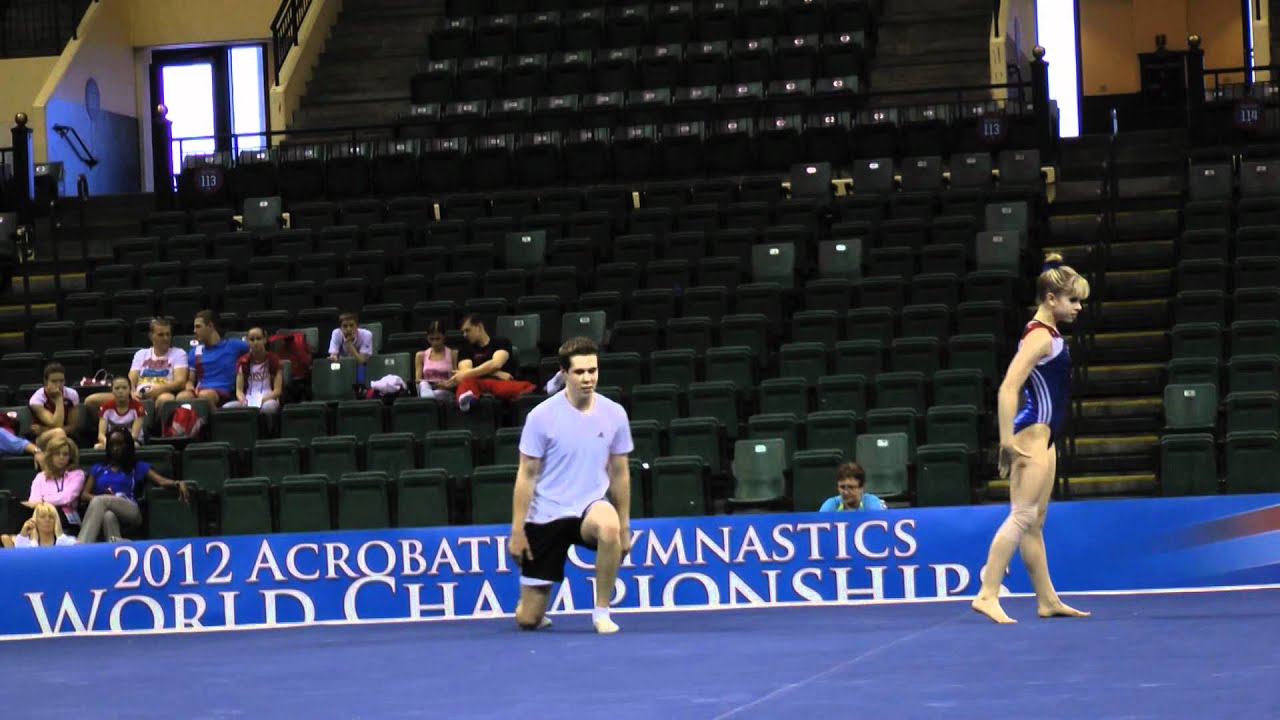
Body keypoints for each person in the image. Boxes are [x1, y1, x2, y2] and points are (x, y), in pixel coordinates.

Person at [971, 253, 1092, 624]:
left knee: (1035, 521)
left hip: (1046, 435)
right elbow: (1009, 388)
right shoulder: (1039, 337)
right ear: (1051, 299)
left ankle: (1047, 600)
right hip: (1031, 435)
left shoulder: (1048, 333)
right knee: (1022, 516)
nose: (1078, 307)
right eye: (1073, 300)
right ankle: (988, 592)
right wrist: (1007, 441)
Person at [509, 337, 633, 635]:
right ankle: (534, 607)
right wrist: (517, 530)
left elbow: (620, 471)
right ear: (564, 373)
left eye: (593, 370)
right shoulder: (540, 417)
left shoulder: (614, 413)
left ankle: (602, 612)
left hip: (589, 508)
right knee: (529, 620)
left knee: (609, 526)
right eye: (580, 372)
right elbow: (526, 474)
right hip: (545, 515)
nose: (588, 378)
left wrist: (625, 526)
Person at [78, 428, 189, 544]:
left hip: (130, 509)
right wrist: (107, 499)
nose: (115, 448)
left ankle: (82, 544)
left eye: (120, 444)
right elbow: (84, 495)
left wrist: (177, 483)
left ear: (128, 446)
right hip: (106, 507)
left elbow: (160, 481)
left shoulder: (136, 467)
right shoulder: (98, 468)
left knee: (100, 501)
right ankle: (117, 544)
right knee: (108, 516)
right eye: (111, 445)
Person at [86, 317, 188, 414]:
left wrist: (158, 389)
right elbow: (132, 378)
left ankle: (154, 430)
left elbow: (180, 382)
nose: (166, 338)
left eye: (168, 334)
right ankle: (111, 426)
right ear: (151, 336)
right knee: (91, 401)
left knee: (167, 399)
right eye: (161, 335)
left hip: (162, 393)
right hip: (138, 395)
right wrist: (131, 392)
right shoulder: (141, 353)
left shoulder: (178, 353)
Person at [444, 314, 535, 411]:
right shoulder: (465, 350)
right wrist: (497, 373)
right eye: (463, 332)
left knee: (527, 387)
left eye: (467, 330)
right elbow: (466, 372)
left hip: (499, 383)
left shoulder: (502, 342)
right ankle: (468, 402)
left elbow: (496, 364)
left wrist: (489, 370)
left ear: (479, 327)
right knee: (466, 382)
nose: (464, 335)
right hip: (477, 384)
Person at [178, 310, 250, 408]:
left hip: (226, 394)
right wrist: (190, 388)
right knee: (182, 396)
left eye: (198, 327)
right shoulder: (195, 352)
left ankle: (214, 422)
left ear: (210, 326)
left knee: (205, 395)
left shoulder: (234, 346)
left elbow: (259, 353)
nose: (194, 331)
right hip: (201, 392)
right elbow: (190, 380)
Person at [24, 435, 85, 528]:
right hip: (43, 517)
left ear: (70, 457)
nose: (61, 457)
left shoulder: (77, 474)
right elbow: (33, 501)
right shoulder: (40, 477)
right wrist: (40, 504)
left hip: (68, 519)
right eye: (57, 454)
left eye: (65, 454)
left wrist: (43, 501)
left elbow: (67, 497)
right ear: (50, 456)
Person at [224, 327, 284, 416]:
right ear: (248, 342)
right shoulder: (243, 361)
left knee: (268, 407)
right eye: (252, 340)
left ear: (265, 340)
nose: (255, 342)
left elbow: (278, 390)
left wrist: (263, 400)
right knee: (227, 407)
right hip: (248, 399)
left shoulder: (274, 360)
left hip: (269, 398)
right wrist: (243, 401)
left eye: (258, 339)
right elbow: (239, 390)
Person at [28, 362, 79, 448]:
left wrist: (43, 429)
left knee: (61, 433)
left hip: (66, 435)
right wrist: (59, 399)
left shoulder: (72, 395)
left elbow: (73, 426)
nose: (58, 385)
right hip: (42, 438)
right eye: (54, 381)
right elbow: (56, 425)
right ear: (45, 381)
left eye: (61, 381)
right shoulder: (37, 399)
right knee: (58, 433)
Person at [95, 376, 146, 449]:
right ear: (112, 390)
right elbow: (101, 435)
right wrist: (108, 442)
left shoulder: (138, 407)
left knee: (134, 446)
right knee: (97, 447)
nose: (120, 391)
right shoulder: (105, 407)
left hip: (133, 441)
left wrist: (120, 444)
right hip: (112, 441)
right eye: (117, 388)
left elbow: (134, 435)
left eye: (124, 388)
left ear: (130, 389)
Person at [1, 502, 77, 549]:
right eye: (42, 517)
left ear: (56, 521)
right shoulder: (27, 546)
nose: (47, 520)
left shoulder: (69, 544)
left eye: (51, 517)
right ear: (35, 520)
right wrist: (23, 533)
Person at [415, 321, 457, 401]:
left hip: (446, 391)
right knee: (423, 384)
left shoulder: (453, 354)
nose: (435, 342)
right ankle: (429, 399)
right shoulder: (420, 356)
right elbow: (418, 381)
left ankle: (429, 400)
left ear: (444, 337)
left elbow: (457, 378)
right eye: (431, 339)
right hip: (426, 388)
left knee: (438, 393)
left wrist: (447, 384)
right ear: (427, 338)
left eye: (438, 339)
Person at [819, 462, 886, 512]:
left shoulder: (872, 503)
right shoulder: (831, 505)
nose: (846, 492)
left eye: (851, 487)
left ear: (862, 487)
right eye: (842, 487)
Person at [328, 312, 374, 383]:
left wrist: (349, 343)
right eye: (345, 326)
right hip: (343, 365)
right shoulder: (336, 333)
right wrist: (333, 358)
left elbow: (361, 360)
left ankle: (361, 387)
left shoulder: (367, 335)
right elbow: (333, 354)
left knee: (361, 368)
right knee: (333, 367)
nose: (349, 329)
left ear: (357, 326)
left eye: (351, 325)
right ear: (340, 328)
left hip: (361, 365)